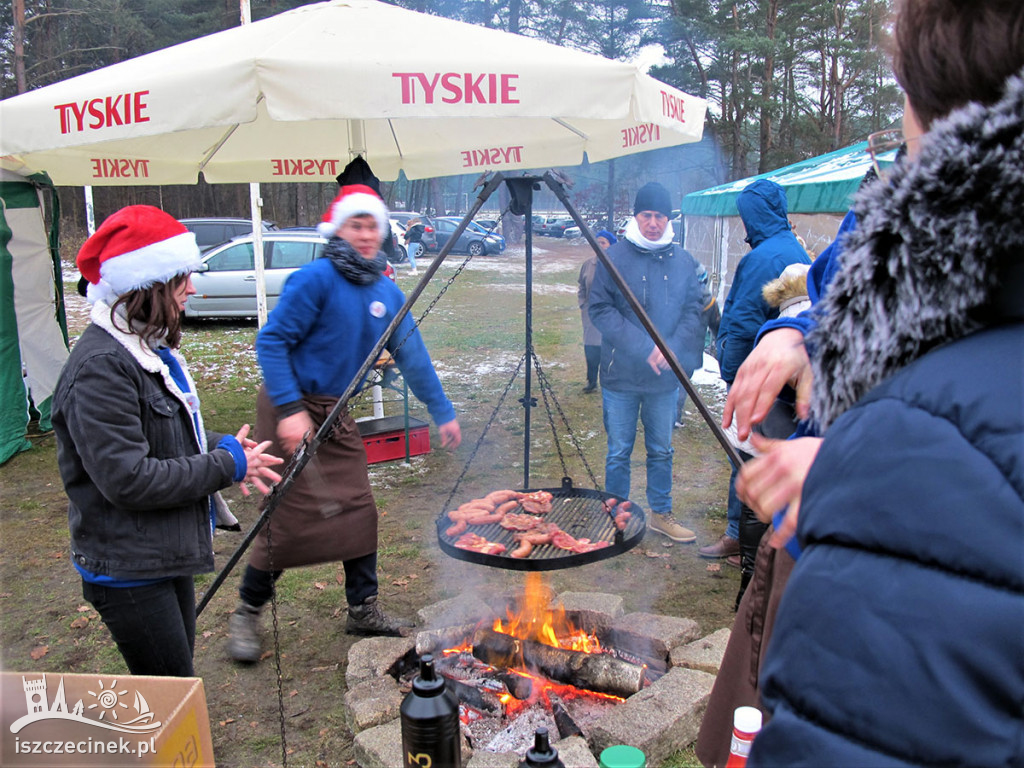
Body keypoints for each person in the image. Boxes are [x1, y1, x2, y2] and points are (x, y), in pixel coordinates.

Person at [748, 1, 1024, 762]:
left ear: (924, 109)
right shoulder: (912, 254)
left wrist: (852, 466)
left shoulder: (911, 448)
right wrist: (797, 331)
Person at [227, 184, 462, 662]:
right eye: (355, 224)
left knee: (358, 509)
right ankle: (247, 611)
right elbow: (271, 343)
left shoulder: (386, 291)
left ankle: (363, 608)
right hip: (288, 409)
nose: (365, 234)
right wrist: (292, 411)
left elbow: (412, 357)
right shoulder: (313, 280)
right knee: (288, 519)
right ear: (338, 229)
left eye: (371, 224)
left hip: (335, 415)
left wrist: (443, 412)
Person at [51, 205, 283, 677]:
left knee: (173, 693)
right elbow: (129, 479)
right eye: (182, 280)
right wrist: (226, 464)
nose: (192, 290)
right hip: (128, 570)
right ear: (147, 285)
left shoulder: (140, 349)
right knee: (169, 702)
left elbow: (169, 433)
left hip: (159, 555)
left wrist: (230, 449)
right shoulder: (102, 367)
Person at [699, 180, 811, 565]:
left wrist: (731, 370)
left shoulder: (764, 256)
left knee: (748, 454)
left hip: (757, 374)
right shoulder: (790, 247)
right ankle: (749, 537)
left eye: (746, 215)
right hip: (779, 378)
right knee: (755, 455)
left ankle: (745, 542)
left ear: (754, 215)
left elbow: (744, 321)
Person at [588, 182, 704, 543]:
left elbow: (693, 311)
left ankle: (661, 513)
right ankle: (617, 514)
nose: (653, 222)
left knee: (661, 449)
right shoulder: (614, 258)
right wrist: (644, 347)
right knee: (619, 450)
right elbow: (601, 310)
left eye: (660, 215)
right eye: (646, 215)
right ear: (635, 217)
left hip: (663, 379)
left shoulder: (682, 260)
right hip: (620, 375)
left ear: (668, 218)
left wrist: (670, 348)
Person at [577, 229, 616, 393]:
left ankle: (608, 380)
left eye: (603, 243)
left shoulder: (617, 265)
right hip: (590, 315)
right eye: (597, 242)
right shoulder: (588, 264)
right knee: (591, 348)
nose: (600, 246)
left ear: (611, 245)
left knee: (607, 349)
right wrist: (583, 304)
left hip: (610, 315)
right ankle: (591, 381)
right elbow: (581, 286)